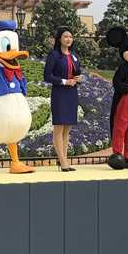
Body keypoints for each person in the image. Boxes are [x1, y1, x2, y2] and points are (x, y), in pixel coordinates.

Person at [44, 27, 83, 172]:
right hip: (60, 93)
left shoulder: (74, 56)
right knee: (59, 126)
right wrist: (65, 81)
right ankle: (62, 161)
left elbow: (77, 73)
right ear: (59, 39)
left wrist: (79, 79)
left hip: (72, 93)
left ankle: (64, 159)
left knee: (67, 128)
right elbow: (47, 76)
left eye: (71, 37)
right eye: (66, 36)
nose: (68, 39)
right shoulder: (54, 55)